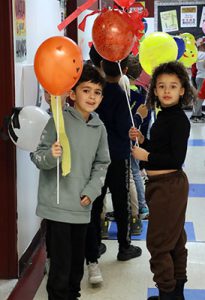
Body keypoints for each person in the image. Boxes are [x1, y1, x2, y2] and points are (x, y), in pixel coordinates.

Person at [30, 64, 110, 300]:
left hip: (82, 206)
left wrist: (92, 190)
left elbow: (102, 163)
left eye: (97, 92)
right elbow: (37, 156)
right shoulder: (57, 120)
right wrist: (51, 156)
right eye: (86, 90)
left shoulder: (99, 128)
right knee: (60, 271)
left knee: (76, 268)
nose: (92, 96)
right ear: (72, 94)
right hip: (57, 208)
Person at [130, 61, 194, 300]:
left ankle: (168, 294)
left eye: (173, 86)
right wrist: (143, 143)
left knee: (158, 245)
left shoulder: (178, 120)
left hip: (169, 186)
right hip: (163, 186)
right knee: (175, 240)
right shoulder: (165, 116)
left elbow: (175, 159)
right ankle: (176, 293)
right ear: (154, 91)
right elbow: (161, 150)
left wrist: (147, 156)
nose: (167, 91)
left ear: (182, 91)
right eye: (161, 86)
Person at [94, 57, 142, 261]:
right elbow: (125, 128)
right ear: (125, 69)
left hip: (96, 156)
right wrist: (138, 117)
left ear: (102, 67)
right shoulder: (121, 95)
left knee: (96, 200)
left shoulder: (96, 92)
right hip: (117, 155)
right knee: (121, 202)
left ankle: (95, 245)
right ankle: (124, 246)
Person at [126, 54, 150, 223]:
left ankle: (140, 207)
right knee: (135, 172)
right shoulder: (142, 95)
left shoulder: (126, 94)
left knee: (132, 173)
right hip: (137, 136)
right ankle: (141, 206)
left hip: (128, 137)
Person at [190, 37, 205, 123]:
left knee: (198, 97)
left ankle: (198, 114)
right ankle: (195, 115)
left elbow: (193, 67)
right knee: (200, 97)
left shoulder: (196, 54)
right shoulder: (203, 55)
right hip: (203, 77)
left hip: (198, 77)